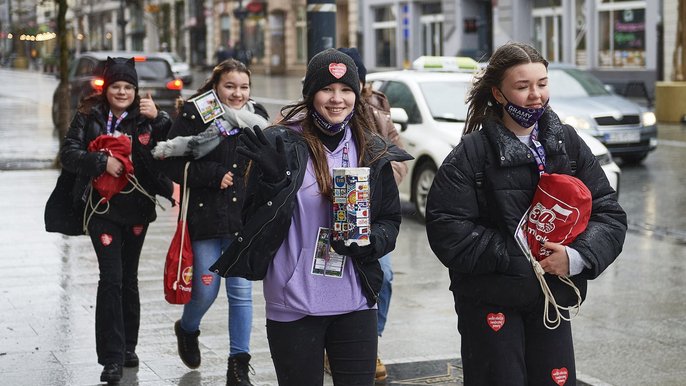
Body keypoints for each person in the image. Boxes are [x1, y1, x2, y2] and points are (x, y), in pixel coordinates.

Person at [425, 42, 627, 385]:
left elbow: (609, 214)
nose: (536, 95)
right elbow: (448, 229)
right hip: (490, 302)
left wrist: (576, 258)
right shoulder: (472, 153)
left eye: (542, 83)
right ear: (498, 93)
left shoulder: (568, 143)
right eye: (522, 86)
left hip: (553, 300)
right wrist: (520, 259)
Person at [209, 48, 412, 385]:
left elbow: (390, 221)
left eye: (346, 90)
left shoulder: (372, 148)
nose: (337, 99)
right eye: (327, 89)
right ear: (310, 93)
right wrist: (273, 184)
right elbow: (248, 222)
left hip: (356, 299)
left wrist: (369, 242)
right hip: (294, 300)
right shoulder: (279, 142)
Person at [59, 57, 174, 384]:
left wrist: (161, 118)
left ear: (135, 90)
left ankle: (128, 347)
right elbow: (68, 154)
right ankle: (110, 357)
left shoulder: (145, 117)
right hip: (101, 210)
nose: (122, 92)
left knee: (130, 278)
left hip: (137, 208)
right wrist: (100, 162)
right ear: (106, 88)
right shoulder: (88, 115)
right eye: (116, 86)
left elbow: (170, 148)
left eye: (128, 87)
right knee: (111, 278)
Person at [158, 58, 269, 386]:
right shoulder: (196, 113)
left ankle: (238, 365)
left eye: (244, 87)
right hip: (206, 217)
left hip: (242, 220)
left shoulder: (255, 114)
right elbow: (170, 160)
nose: (237, 93)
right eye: (230, 86)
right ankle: (187, 328)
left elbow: (269, 160)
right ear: (216, 86)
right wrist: (211, 174)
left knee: (241, 294)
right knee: (205, 291)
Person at [337, 46, 408, 382]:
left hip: (373, 210)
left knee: (384, 277)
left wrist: (378, 180)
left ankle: (371, 342)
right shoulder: (319, 110)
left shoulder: (379, 107)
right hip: (335, 211)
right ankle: (332, 343)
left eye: (353, 84)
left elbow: (397, 152)